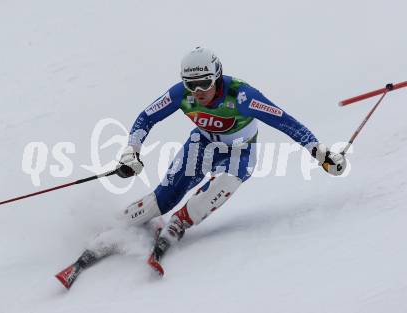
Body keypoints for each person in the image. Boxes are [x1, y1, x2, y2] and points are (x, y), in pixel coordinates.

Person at [55, 47, 346, 288]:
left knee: (228, 181)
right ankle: (125, 220)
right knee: (163, 199)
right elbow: (146, 117)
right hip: (203, 144)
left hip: (240, 151)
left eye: (204, 84)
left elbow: (284, 120)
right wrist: (131, 151)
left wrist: (318, 152)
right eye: (191, 85)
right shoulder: (181, 94)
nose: (198, 92)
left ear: (217, 78)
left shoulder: (241, 96)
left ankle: (181, 221)